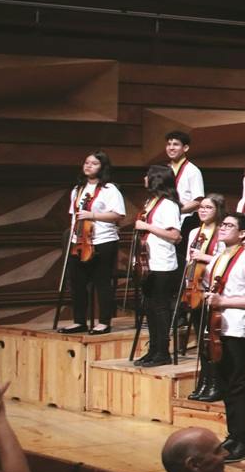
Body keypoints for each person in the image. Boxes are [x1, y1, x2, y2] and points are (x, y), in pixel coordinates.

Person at [199, 212, 245, 452]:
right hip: (217, 325)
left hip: (236, 327)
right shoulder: (218, 257)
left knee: (237, 383)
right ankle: (233, 433)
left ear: (242, 234)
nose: (223, 228)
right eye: (223, 224)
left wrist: (225, 302)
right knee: (225, 382)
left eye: (229, 226)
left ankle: (243, 440)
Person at [62, 151, 126, 335]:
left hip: (103, 241)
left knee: (102, 282)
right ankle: (79, 321)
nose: (89, 166)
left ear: (102, 167)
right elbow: (73, 216)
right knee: (77, 282)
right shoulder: (77, 190)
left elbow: (118, 215)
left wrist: (93, 215)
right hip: (79, 241)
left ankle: (104, 322)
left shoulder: (109, 190)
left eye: (94, 163)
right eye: (87, 162)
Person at [132, 164, 185, 367]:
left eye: (147, 175)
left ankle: (163, 351)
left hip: (162, 263)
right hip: (148, 262)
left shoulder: (169, 205)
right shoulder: (151, 201)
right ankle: (153, 349)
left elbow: (174, 235)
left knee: (160, 308)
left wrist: (147, 227)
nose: (144, 178)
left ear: (156, 179)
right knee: (149, 308)